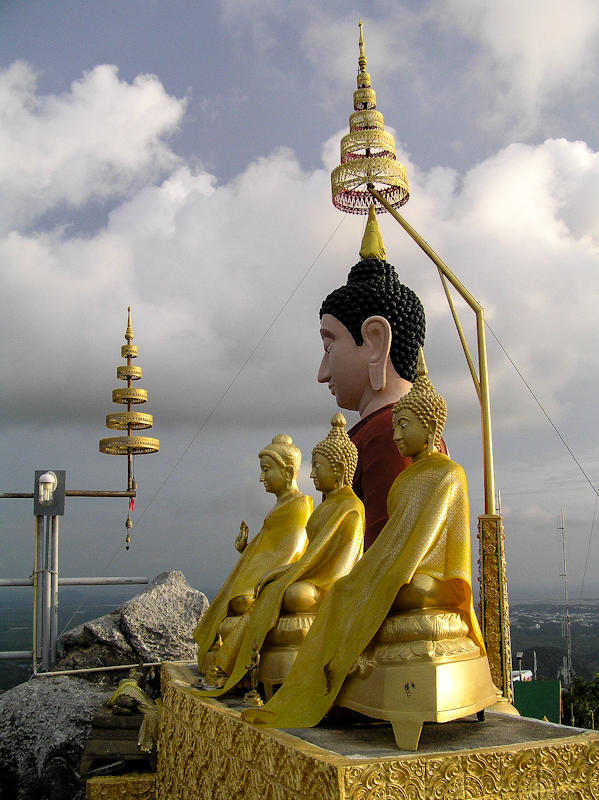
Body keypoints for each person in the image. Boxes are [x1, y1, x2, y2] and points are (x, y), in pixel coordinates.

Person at [242, 351, 485, 730]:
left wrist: (384, 570)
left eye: (404, 426)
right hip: (397, 567)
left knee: (408, 589)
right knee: (344, 593)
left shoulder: (449, 475)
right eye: (395, 429)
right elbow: (389, 537)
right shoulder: (396, 483)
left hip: (432, 576)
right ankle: (331, 680)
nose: (398, 435)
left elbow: (418, 537)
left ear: (431, 426)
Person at [196, 414, 365, 697]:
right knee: (270, 596)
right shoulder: (325, 508)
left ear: (340, 469)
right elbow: (301, 552)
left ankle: (233, 662)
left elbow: (330, 561)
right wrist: (249, 551)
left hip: (327, 582)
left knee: (291, 595)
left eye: (319, 468)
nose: (312, 475)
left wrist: (282, 572)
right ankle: (234, 660)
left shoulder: (349, 507)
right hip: (304, 575)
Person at [317, 204, 448, 549]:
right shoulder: (377, 429)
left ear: (375, 341)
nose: (322, 373)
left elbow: (387, 554)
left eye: (329, 347)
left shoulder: (392, 433)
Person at [193, 434, 312, 675]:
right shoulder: (279, 507)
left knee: (243, 603)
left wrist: (266, 578)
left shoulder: (300, 505)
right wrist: (246, 549)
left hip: (279, 579)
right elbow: (268, 550)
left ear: (288, 472)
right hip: (264, 577)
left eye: (267, 470)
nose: (261, 478)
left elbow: (292, 552)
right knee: (236, 604)